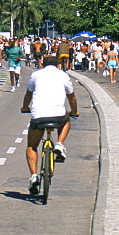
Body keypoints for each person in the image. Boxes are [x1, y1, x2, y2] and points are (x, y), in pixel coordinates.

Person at [21, 55, 79, 194]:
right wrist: (74, 111)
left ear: (42, 64)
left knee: (31, 146)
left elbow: (28, 94)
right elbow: (71, 96)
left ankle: (34, 176)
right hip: (58, 116)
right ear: (58, 64)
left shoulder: (36, 75)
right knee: (66, 121)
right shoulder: (63, 75)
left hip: (38, 117)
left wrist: (24, 107)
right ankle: (59, 143)